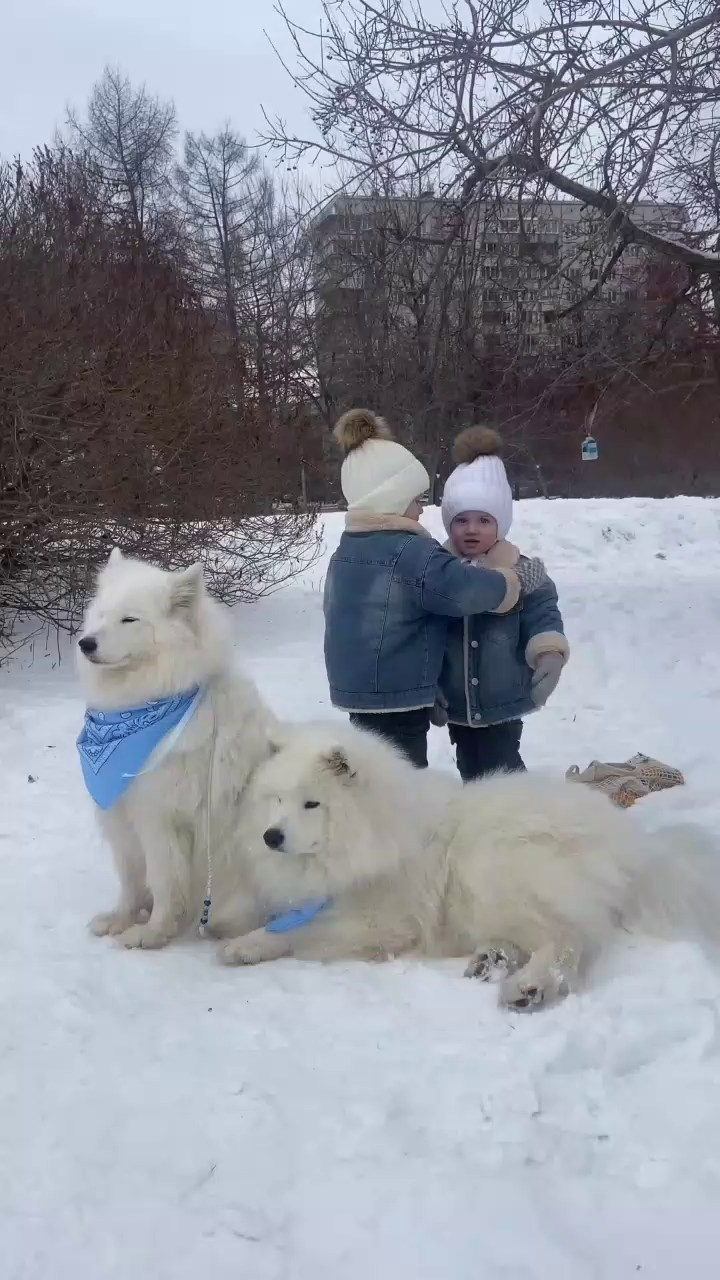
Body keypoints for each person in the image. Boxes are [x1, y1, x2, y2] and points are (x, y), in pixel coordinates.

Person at [323, 409, 547, 769]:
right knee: (402, 774)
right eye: (414, 500)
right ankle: (404, 822)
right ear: (391, 499)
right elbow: (460, 589)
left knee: (373, 766)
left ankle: (375, 817)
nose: (420, 509)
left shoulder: (346, 551)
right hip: (399, 689)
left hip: (356, 689)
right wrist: (512, 581)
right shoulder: (410, 551)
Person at [437, 425, 568, 781]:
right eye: (460, 520)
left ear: (501, 523)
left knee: (502, 766)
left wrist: (549, 651)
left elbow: (543, 615)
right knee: (471, 767)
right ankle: (484, 824)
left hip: (503, 696)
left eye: (483, 520)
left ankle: (523, 819)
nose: (471, 529)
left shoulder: (522, 571)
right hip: (457, 701)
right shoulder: (439, 575)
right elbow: (425, 631)